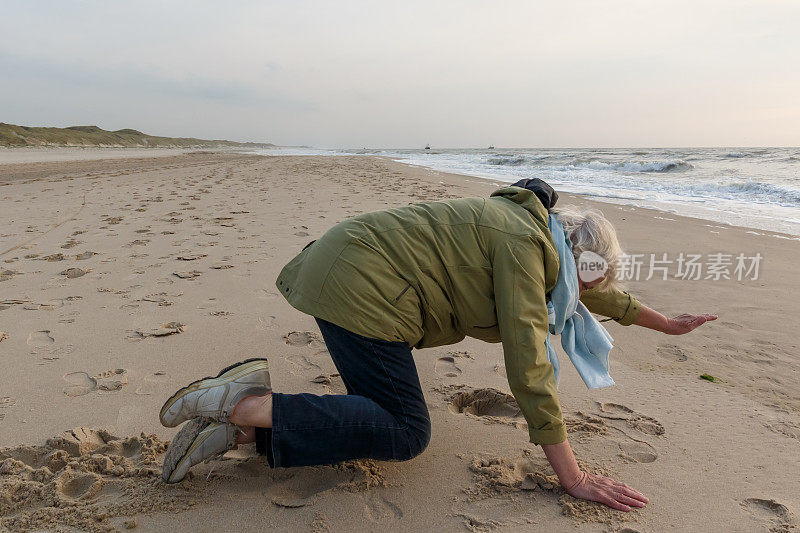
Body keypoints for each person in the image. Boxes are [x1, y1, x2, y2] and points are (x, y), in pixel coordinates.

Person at [159, 179, 716, 512]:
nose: (579, 296)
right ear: (576, 257)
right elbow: (529, 367)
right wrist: (571, 475)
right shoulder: (524, 249)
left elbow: (587, 297)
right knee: (404, 430)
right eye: (589, 280)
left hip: (344, 273)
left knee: (369, 421)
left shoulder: (534, 235)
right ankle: (239, 401)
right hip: (366, 290)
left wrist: (663, 322)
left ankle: (242, 429)